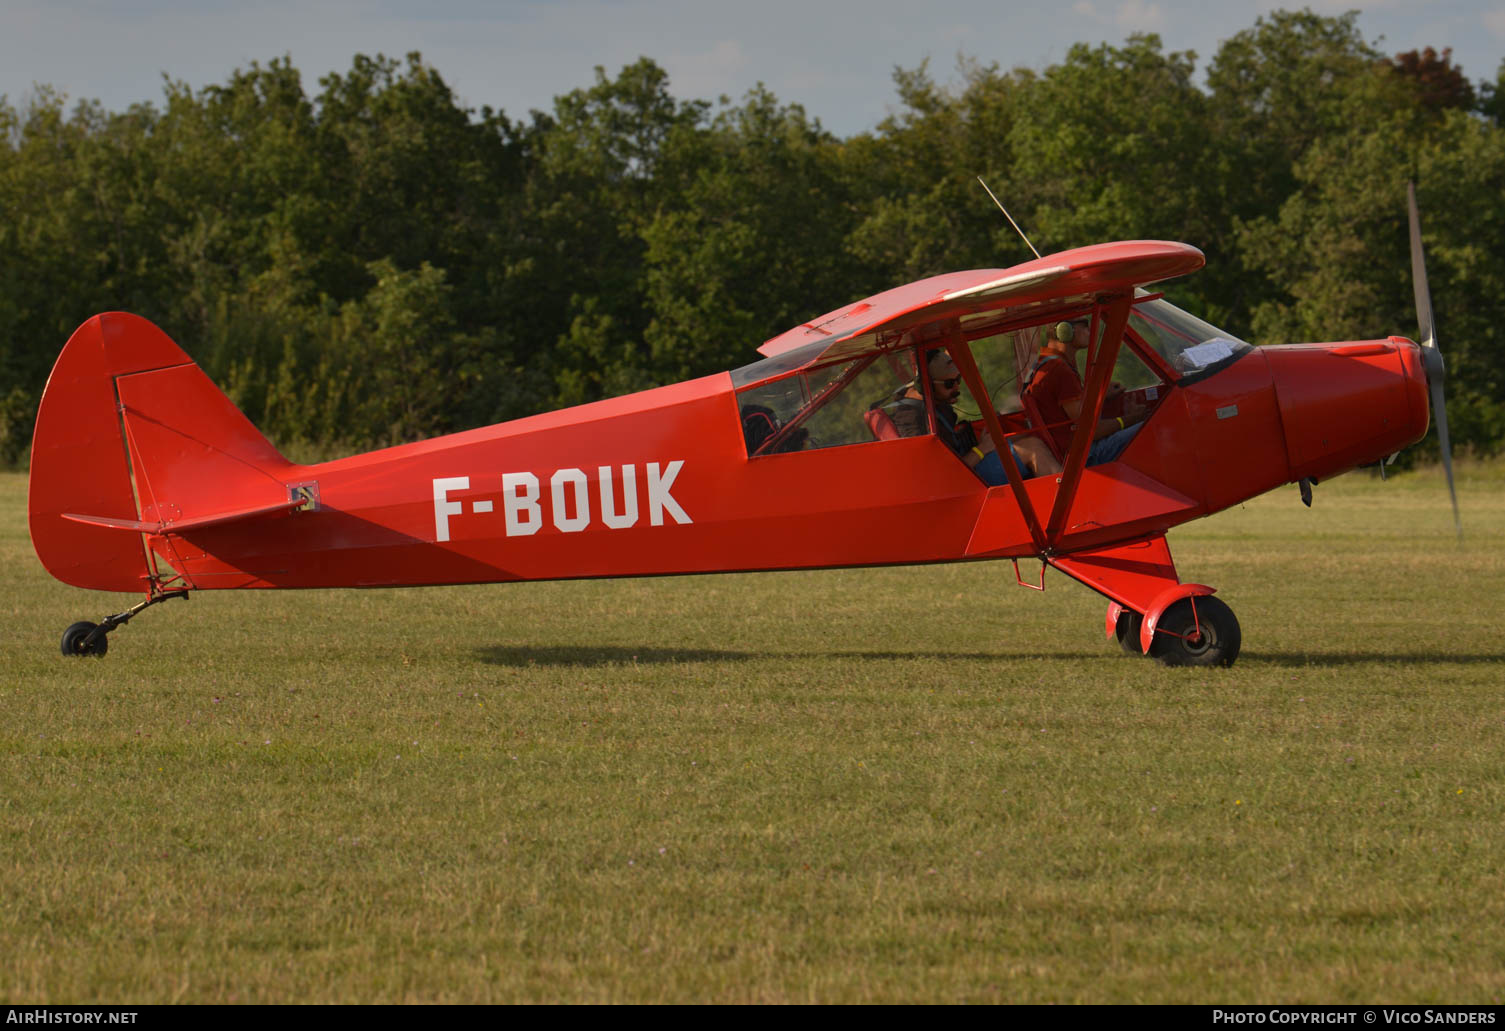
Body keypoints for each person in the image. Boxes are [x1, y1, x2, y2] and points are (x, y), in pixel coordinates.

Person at [878, 350, 1060, 485]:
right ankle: (1072, 509)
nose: (956, 388)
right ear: (925, 385)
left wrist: (980, 445)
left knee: (1026, 436)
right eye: (949, 384)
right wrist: (981, 450)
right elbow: (943, 477)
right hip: (962, 481)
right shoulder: (913, 421)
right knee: (1033, 448)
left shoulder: (930, 402)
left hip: (967, 462)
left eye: (958, 380)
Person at [1025, 319, 1146, 465]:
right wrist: (1132, 418)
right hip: (1085, 456)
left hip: (1073, 453)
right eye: (1085, 325)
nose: (1090, 331)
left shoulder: (1046, 363)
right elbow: (1090, 432)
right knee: (1150, 425)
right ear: (1064, 330)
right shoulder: (1059, 370)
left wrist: (1101, 395)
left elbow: (1077, 415)